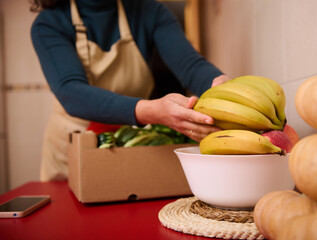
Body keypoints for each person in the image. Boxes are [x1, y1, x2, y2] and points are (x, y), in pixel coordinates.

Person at [30, 0, 231, 181]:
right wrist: (153, 111)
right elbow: (71, 92)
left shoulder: (149, 12)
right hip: (71, 152)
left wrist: (220, 86)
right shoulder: (49, 23)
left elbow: (191, 67)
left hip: (130, 146)